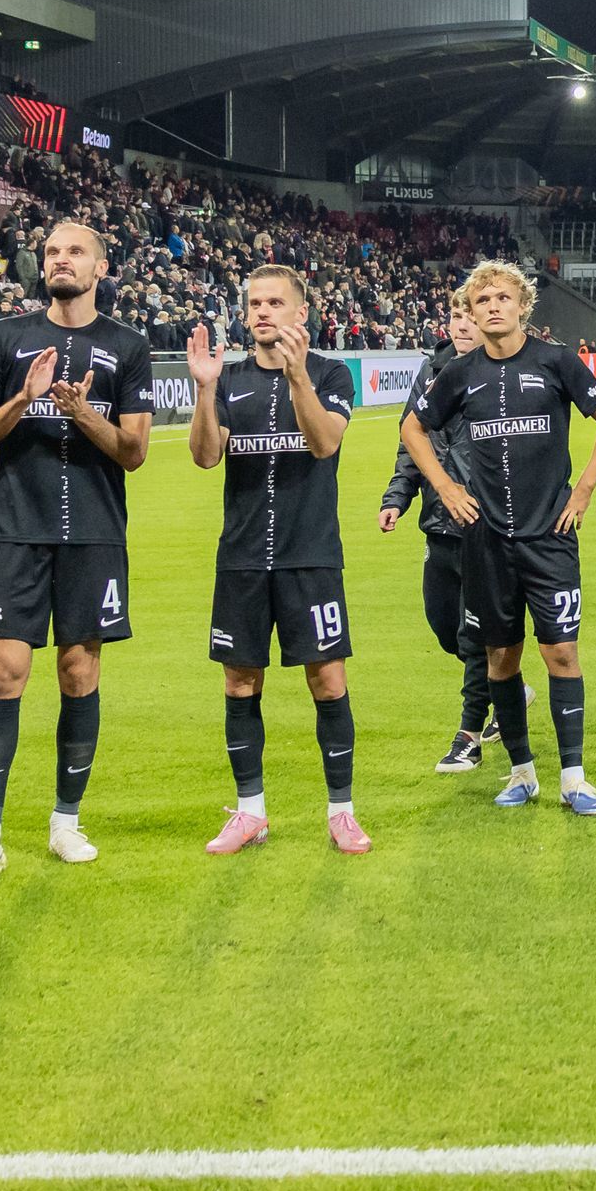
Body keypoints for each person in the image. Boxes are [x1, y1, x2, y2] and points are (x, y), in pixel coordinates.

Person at [0, 221, 155, 865]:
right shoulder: (6, 337)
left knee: (78, 672)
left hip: (94, 535)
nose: (60, 260)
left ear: (100, 268)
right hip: (17, 531)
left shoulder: (127, 345)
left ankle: (65, 823)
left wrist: (81, 412)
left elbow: (134, 452)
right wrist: (25, 398)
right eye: (51, 252)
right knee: (2, 674)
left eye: (74, 252)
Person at [403, 262, 596, 814]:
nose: (493, 307)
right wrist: (446, 487)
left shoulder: (555, 361)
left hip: (550, 536)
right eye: (482, 301)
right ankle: (522, 772)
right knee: (500, 658)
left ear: (523, 305)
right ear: (471, 312)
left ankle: (574, 778)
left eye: (503, 297)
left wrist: (583, 490)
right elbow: (413, 427)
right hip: (485, 541)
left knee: (562, 652)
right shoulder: (459, 373)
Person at [187, 265, 366, 854]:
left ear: (301, 313)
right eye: (255, 304)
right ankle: (250, 812)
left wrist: (297, 378)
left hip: (309, 555)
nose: (263, 312)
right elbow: (206, 457)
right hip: (241, 558)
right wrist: (205, 391)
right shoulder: (230, 379)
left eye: (275, 303)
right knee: (240, 681)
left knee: (327, 678)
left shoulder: (330, 373)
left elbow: (324, 442)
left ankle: (341, 812)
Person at [381, 306, 499, 772]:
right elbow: (411, 443)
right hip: (437, 520)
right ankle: (505, 685)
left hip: (485, 523)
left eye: (471, 315)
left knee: (473, 635)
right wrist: (397, 497)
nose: (463, 324)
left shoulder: (501, 372)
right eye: (456, 315)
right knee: (444, 627)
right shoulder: (431, 371)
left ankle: (468, 736)